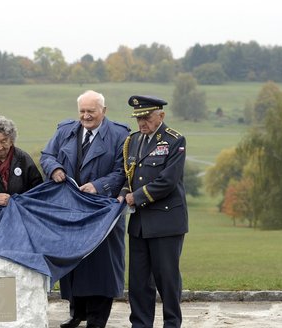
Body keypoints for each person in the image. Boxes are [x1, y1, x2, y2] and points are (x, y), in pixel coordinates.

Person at [40, 90, 130, 328]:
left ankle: (98, 317)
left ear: (104, 111)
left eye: (91, 111)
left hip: (103, 210)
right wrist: (54, 169)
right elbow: (47, 155)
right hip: (70, 210)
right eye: (82, 111)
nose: (86, 116)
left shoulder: (120, 135)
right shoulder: (65, 130)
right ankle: (76, 312)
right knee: (74, 262)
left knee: (102, 264)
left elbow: (123, 171)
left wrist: (99, 186)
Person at [118, 95, 188, 328]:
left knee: (167, 279)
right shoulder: (133, 141)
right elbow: (129, 175)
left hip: (166, 221)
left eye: (146, 117)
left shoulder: (174, 141)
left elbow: (167, 181)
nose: (142, 123)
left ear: (161, 116)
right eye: (138, 118)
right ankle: (140, 323)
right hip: (139, 224)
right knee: (138, 281)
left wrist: (135, 197)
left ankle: (172, 323)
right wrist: (124, 192)